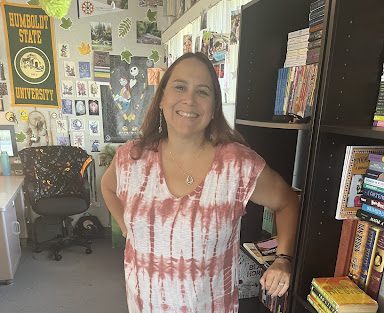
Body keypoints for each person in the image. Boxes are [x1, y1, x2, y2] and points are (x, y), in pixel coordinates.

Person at [101, 52, 299, 313]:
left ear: (214, 106)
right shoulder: (132, 157)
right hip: (144, 303)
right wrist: (127, 228)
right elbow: (107, 186)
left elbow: (287, 201)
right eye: (180, 87)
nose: (189, 99)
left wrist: (283, 258)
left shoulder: (237, 164)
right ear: (162, 98)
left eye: (203, 92)